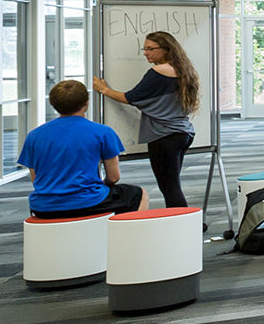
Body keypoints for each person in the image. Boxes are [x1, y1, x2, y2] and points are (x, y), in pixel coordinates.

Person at [93, 31, 199, 209]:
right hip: (183, 133)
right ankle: (187, 222)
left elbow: (131, 97)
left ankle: (184, 226)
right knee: (173, 185)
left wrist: (104, 89)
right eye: (145, 48)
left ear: (166, 49)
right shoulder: (183, 69)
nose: (145, 53)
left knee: (169, 187)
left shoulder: (158, 72)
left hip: (164, 136)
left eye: (150, 49)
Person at [18, 80, 148, 218]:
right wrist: (102, 184)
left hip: (43, 206)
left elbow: (36, 178)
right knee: (140, 194)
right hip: (89, 202)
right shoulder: (102, 132)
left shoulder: (34, 136)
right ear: (86, 104)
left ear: (53, 105)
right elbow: (114, 177)